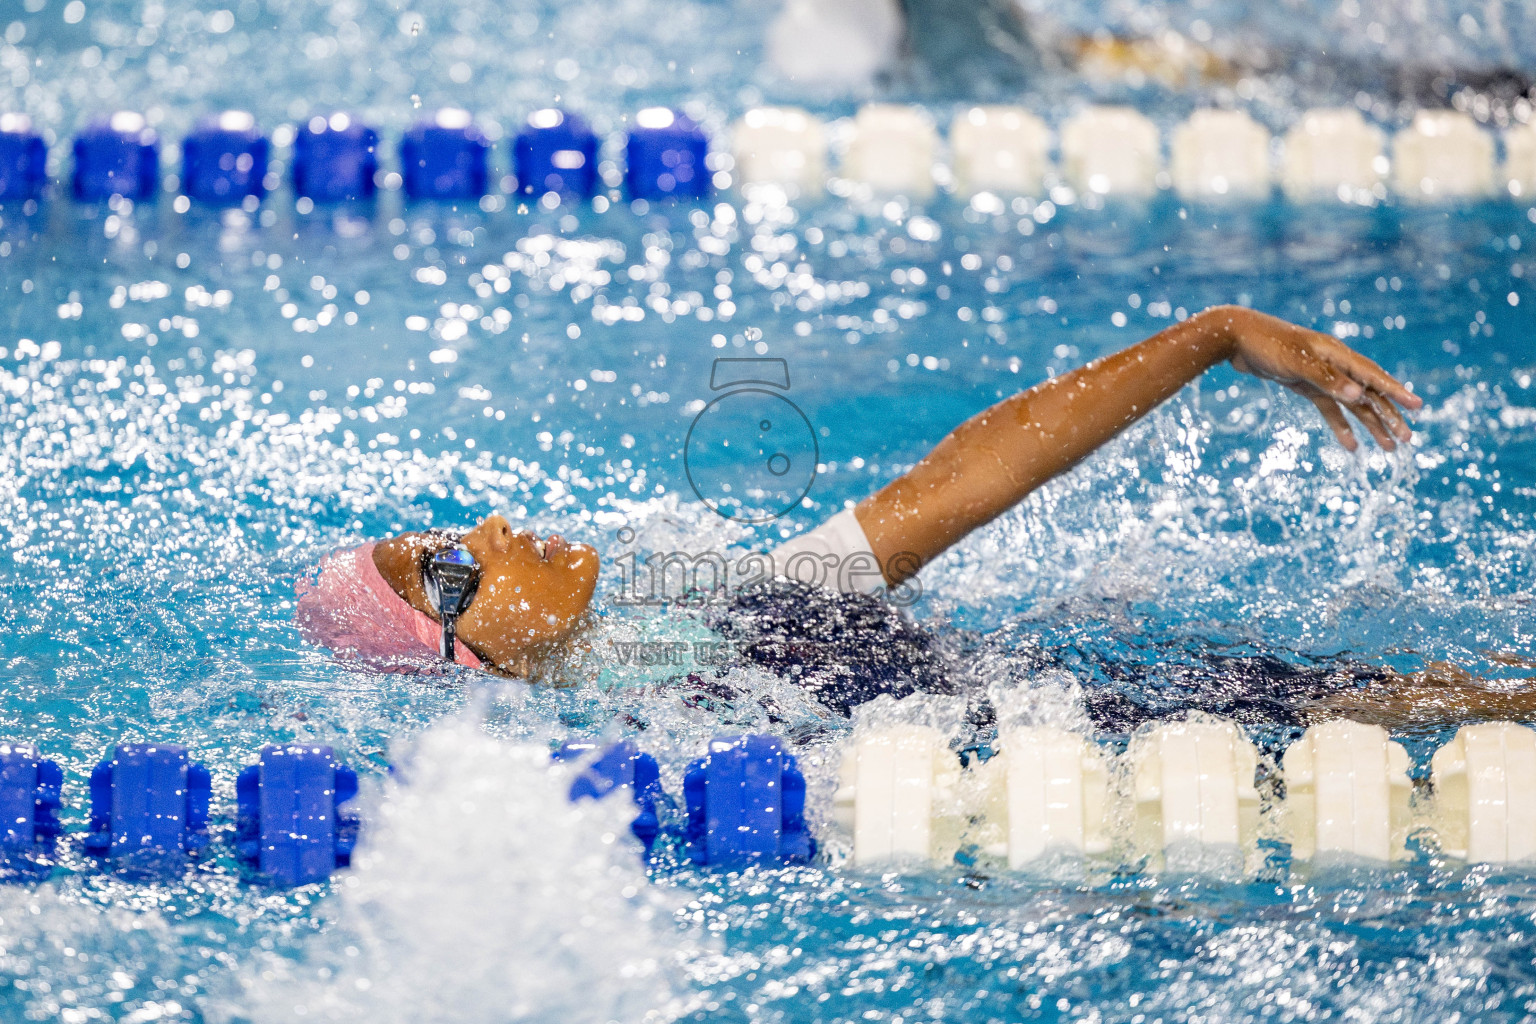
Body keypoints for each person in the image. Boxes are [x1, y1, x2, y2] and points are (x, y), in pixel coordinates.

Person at [297, 304, 1438, 722]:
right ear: (473, 654)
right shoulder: (671, 733)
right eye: (453, 564)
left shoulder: (697, 622)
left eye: (458, 526)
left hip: (1107, 703)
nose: (491, 529)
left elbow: (952, 488)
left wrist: (1214, 336)